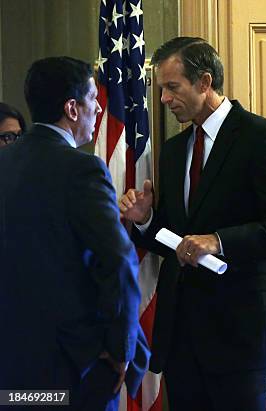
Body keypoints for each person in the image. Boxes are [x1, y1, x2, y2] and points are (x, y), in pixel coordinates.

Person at [119, 37, 266, 411]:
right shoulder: (174, 151)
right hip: (181, 338)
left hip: (237, 337)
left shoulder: (261, 138)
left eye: (172, 88)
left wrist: (219, 241)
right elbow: (178, 241)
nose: (164, 99)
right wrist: (146, 223)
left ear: (204, 82)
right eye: (161, 90)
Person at [0, 56, 149, 411]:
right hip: (74, 368)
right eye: (93, 99)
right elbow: (120, 260)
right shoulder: (82, 169)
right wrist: (120, 351)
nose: (99, 108)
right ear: (72, 108)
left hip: (12, 367)